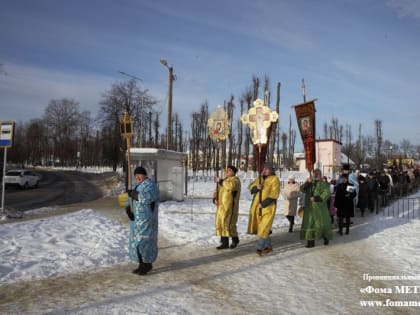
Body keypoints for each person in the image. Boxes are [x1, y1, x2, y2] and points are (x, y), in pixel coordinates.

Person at [126, 166, 160, 275]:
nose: (137, 177)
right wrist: (128, 210)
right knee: (137, 243)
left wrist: (134, 194)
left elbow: (147, 198)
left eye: (139, 175)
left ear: (144, 175)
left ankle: (147, 264)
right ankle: (141, 264)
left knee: (145, 242)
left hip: (147, 221)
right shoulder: (136, 186)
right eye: (135, 175)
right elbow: (130, 200)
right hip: (136, 221)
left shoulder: (151, 185)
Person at [247, 163, 280, 256]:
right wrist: (256, 188)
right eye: (263, 169)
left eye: (267, 169)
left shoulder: (274, 179)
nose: (264, 170)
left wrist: (264, 203)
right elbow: (251, 189)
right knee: (263, 228)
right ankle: (268, 247)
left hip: (268, 208)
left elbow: (274, 194)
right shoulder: (260, 179)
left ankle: (259, 248)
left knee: (264, 227)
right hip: (258, 208)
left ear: (271, 170)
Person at [300, 168, 333, 248]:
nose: (316, 174)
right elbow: (302, 189)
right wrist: (307, 182)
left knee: (322, 224)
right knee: (309, 224)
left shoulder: (323, 184)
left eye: (318, 173)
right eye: (315, 173)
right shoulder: (310, 182)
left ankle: (326, 238)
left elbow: (326, 194)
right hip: (310, 208)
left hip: (320, 208)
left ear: (320, 174)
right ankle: (310, 242)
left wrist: (316, 198)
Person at [213, 165, 241, 249]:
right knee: (222, 222)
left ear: (233, 172)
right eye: (226, 170)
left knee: (229, 224)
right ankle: (224, 243)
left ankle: (235, 239)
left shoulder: (235, 180)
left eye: (229, 170)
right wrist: (215, 198)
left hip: (230, 206)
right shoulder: (224, 180)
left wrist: (220, 181)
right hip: (221, 205)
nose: (227, 172)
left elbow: (230, 187)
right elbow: (217, 190)